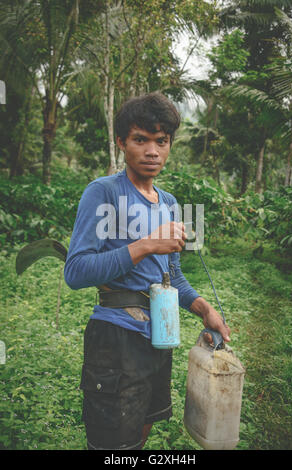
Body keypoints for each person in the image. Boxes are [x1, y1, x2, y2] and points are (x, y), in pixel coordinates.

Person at [64, 92, 231, 451]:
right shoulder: (103, 193)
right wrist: (145, 245)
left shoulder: (169, 204)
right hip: (116, 338)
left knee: (143, 428)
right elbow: (76, 271)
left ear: (170, 144)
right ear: (122, 142)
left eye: (162, 141)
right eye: (141, 139)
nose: (152, 151)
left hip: (160, 334)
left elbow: (173, 277)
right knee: (113, 444)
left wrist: (204, 309)